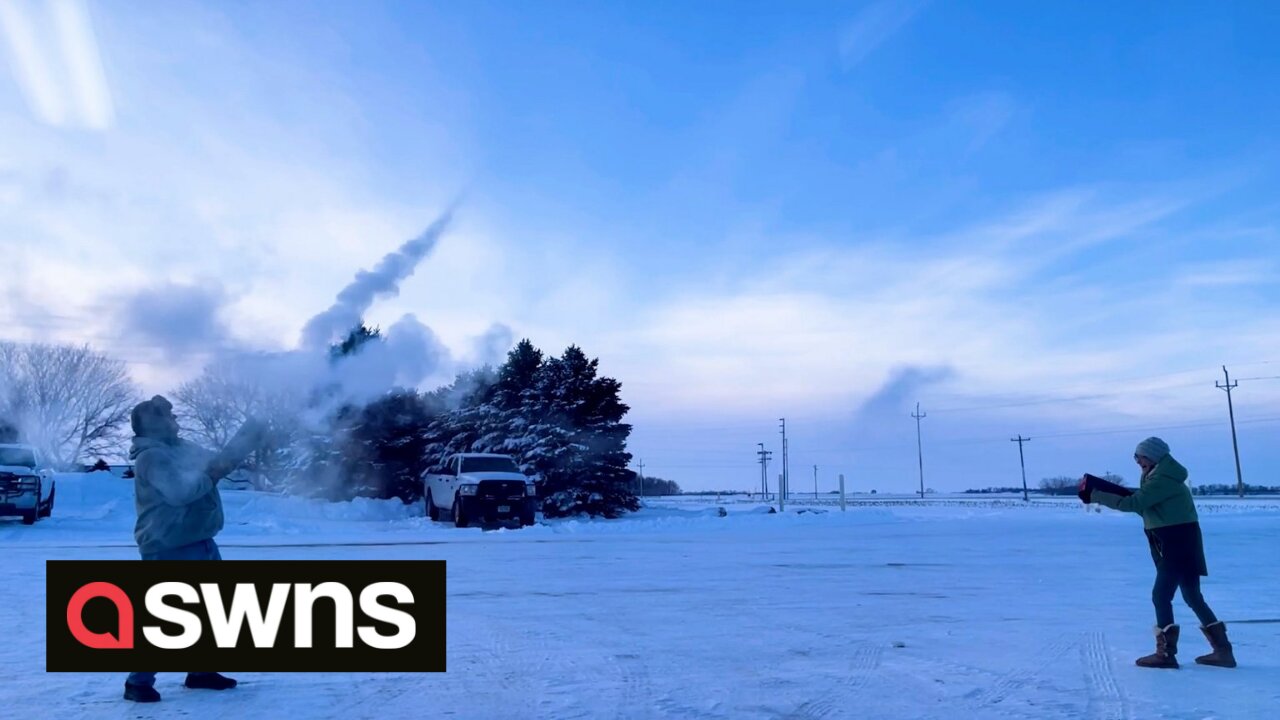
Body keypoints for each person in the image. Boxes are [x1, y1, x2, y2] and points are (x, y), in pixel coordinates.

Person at [122, 395, 266, 703]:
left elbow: (216, 464)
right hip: (169, 546)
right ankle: (138, 681)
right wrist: (212, 473)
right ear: (155, 424)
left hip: (198, 540)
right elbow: (181, 492)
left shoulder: (179, 449)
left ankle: (201, 671)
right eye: (169, 417)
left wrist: (246, 438)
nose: (176, 421)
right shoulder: (153, 457)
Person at [1081, 437, 1236, 669]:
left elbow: (1134, 504)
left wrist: (1095, 495)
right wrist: (1114, 493)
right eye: (1135, 457)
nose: (1137, 461)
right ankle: (1223, 652)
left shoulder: (1163, 478)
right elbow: (1145, 507)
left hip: (1176, 543)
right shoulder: (1158, 477)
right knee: (1192, 596)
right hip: (1179, 542)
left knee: (1161, 595)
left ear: (1153, 456)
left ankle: (1165, 655)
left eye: (1140, 456)